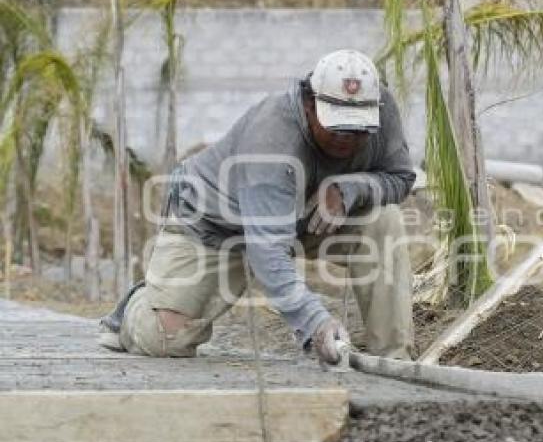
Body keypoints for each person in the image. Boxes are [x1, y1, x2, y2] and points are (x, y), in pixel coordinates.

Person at [98, 49, 416, 365]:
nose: (347, 139)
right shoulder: (271, 140)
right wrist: (316, 323)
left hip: (301, 217)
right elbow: (267, 252)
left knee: (383, 219)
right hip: (216, 225)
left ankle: (394, 358)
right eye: (336, 127)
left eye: (358, 130)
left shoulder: (380, 110)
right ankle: (138, 308)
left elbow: (401, 177)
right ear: (309, 104)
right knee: (164, 338)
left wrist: (350, 188)